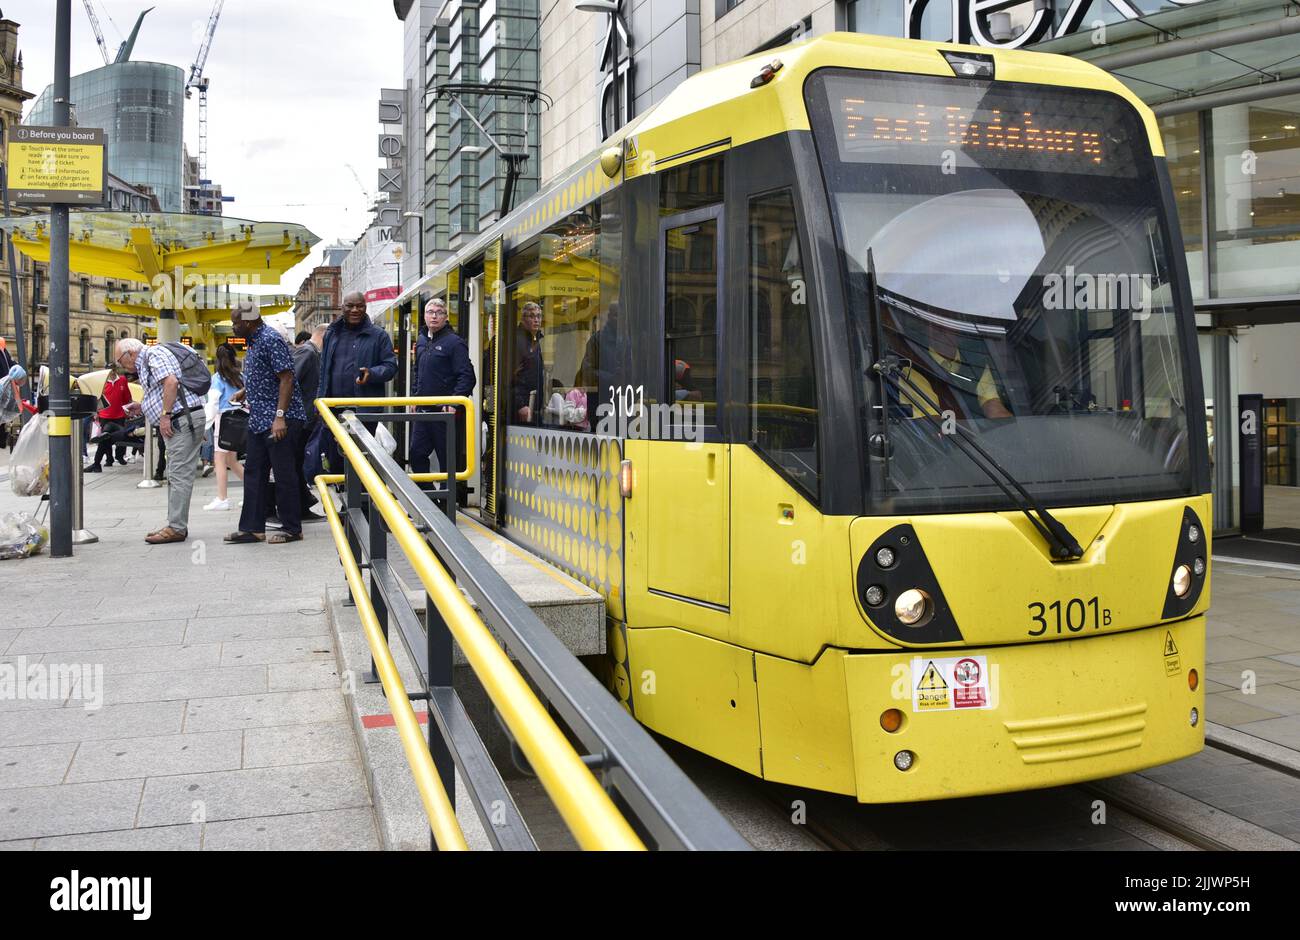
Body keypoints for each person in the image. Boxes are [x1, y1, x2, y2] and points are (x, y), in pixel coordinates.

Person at [223, 303, 308, 544]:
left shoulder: (270, 339)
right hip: (260, 418)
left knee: (283, 473)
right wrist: (245, 391)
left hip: (280, 419)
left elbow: (287, 378)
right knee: (254, 472)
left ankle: (292, 528)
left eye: (236, 323)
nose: (233, 327)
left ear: (249, 322)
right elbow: (265, 376)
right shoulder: (254, 342)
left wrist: (280, 417)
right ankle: (253, 528)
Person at [114, 337, 206, 544]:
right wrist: (143, 406)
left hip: (181, 419)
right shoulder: (149, 360)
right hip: (184, 418)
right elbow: (163, 389)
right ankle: (175, 523)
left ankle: (176, 527)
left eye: (120, 361)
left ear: (130, 354)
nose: (122, 366)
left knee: (178, 473)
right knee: (175, 471)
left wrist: (165, 415)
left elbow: (171, 382)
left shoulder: (153, 355)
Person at [314, 291, 398, 470]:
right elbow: (324, 370)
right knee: (335, 460)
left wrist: (372, 373)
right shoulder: (331, 334)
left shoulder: (378, 335)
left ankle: (361, 497)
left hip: (364, 410)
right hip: (333, 409)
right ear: (342, 307)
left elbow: (391, 366)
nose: (355, 310)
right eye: (350, 306)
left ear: (365, 308)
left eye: (359, 306)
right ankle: (344, 492)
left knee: (361, 462)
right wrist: (319, 402)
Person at [410, 298, 475, 495]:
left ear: (446, 317)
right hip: (422, 411)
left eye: (439, 312)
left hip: (444, 413)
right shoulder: (421, 340)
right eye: (430, 312)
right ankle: (430, 498)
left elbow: (467, 376)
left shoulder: (455, 343)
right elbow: (417, 372)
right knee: (416, 455)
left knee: (448, 461)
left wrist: (453, 402)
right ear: (424, 316)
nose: (434, 316)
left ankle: (447, 505)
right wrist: (414, 397)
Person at [203, 343, 246, 511]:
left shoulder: (217, 379)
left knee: (219, 460)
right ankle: (254, 493)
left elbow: (213, 403)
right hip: (240, 419)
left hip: (224, 419)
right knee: (232, 461)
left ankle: (222, 498)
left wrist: (206, 425)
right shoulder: (241, 377)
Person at [86, 369, 131, 472]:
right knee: (105, 438)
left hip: (119, 414)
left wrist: (126, 408)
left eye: (113, 371)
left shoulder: (122, 380)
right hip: (105, 415)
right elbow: (98, 397)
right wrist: (96, 412)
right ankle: (108, 458)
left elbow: (126, 397)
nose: (111, 374)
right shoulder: (102, 381)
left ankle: (117, 457)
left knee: (110, 438)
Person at [512, 301, 544, 423]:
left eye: (539, 316)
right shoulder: (517, 340)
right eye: (532, 316)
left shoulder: (535, 340)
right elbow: (510, 376)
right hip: (521, 409)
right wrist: (519, 404)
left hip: (533, 407)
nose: (536, 320)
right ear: (523, 319)